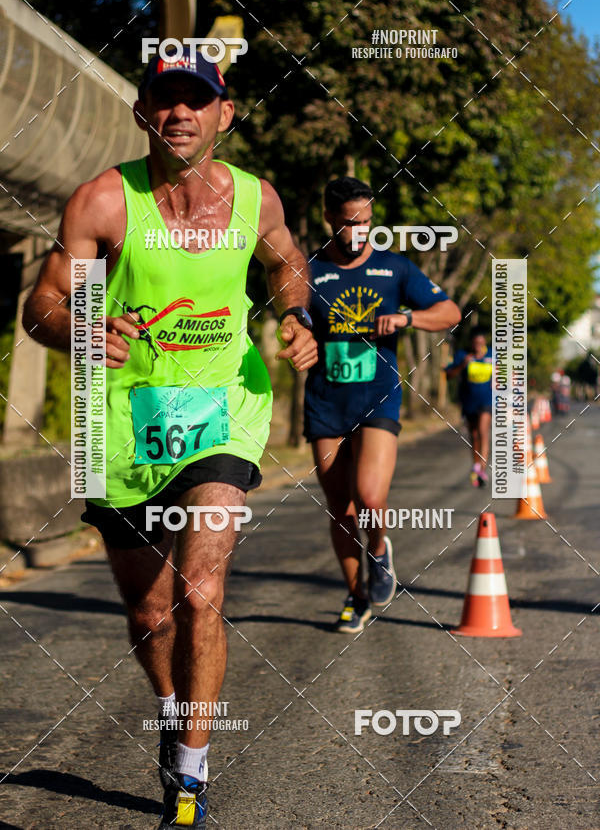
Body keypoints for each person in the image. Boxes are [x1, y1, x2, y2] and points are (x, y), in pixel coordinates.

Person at [23, 46, 317, 829]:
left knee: (199, 591)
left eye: (199, 99)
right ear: (143, 112)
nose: (181, 112)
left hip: (223, 408)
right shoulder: (104, 202)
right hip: (116, 422)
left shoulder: (256, 201)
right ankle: (170, 712)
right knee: (151, 614)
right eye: (166, 99)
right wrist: (85, 327)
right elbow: (42, 305)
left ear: (224, 113)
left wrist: (293, 313)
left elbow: (289, 266)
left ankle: (190, 771)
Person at [304, 177, 461, 632]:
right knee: (341, 509)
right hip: (326, 402)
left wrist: (408, 317)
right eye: (350, 223)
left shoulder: (395, 268)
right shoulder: (310, 271)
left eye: (367, 222)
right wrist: (297, 337)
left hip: (378, 398)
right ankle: (357, 597)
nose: (359, 232)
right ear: (330, 219)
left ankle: (378, 550)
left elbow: (449, 312)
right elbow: (292, 319)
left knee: (371, 498)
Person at [445, 327, 493, 487]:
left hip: (487, 400)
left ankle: (482, 470)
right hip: (468, 401)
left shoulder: (492, 355)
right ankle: (476, 465)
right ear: (471, 344)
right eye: (476, 343)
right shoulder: (462, 355)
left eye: (481, 343)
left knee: (483, 431)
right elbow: (448, 375)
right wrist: (462, 365)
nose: (479, 346)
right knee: (474, 434)